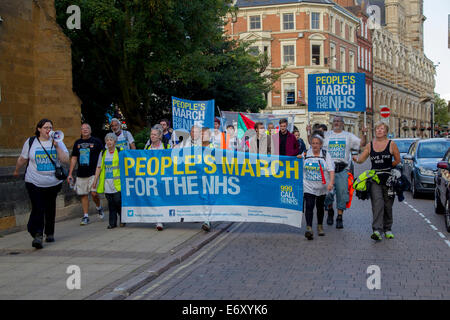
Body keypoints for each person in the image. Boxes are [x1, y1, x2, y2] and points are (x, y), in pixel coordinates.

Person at [14, 119, 70, 249]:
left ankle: (49, 232)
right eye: (45, 127)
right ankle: (37, 235)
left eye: (50, 127)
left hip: (53, 183)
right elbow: (23, 158)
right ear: (39, 129)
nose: (48, 130)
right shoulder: (31, 142)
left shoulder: (57, 141)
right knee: (38, 207)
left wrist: (57, 146)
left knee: (50, 207)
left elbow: (65, 159)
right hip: (34, 181)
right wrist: (17, 169)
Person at [352, 121, 401, 241]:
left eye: (382, 128)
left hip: (389, 178)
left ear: (386, 131)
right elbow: (362, 159)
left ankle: (387, 228)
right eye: (377, 128)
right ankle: (377, 230)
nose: (379, 130)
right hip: (375, 178)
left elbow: (397, 160)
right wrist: (356, 159)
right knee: (377, 204)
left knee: (388, 205)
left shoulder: (391, 144)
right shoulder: (370, 145)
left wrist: (389, 168)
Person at [323, 116, 367, 229]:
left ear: (343, 123)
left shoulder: (348, 136)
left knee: (342, 194)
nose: (336, 123)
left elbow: (361, 144)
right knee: (328, 194)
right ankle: (330, 210)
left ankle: (339, 217)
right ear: (332, 123)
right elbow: (312, 142)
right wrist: (309, 131)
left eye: (339, 121)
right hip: (329, 170)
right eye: (335, 121)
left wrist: (364, 133)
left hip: (342, 169)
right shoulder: (327, 135)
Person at [68, 123, 105, 226]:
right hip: (81, 173)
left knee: (94, 193)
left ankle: (99, 207)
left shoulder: (96, 141)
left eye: (87, 128)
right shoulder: (77, 143)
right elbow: (74, 158)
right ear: (80, 131)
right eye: (83, 129)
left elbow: (103, 155)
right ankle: (85, 216)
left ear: (90, 130)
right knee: (84, 195)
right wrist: (70, 173)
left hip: (94, 172)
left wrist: (101, 169)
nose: (85, 130)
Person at [303, 134, 335, 240]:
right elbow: (296, 165)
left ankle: (320, 226)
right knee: (309, 206)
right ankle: (309, 228)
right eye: (313, 143)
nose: (315, 145)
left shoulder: (326, 155)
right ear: (310, 144)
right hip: (308, 185)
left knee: (320, 207)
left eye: (317, 143)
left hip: (322, 187)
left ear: (321, 145)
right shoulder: (305, 154)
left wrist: (331, 183)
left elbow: (331, 170)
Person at [92, 133, 124, 229]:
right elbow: (99, 167)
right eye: (107, 140)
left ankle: (122, 218)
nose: (109, 142)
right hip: (107, 183)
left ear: (115, 141)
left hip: (118, 183)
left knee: (118, 201)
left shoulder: (120, 151)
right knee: (110, 203)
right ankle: (112, 223)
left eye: (111, 140)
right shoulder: (103, 153)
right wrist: (95, 180)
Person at [144, 126, 171, 230]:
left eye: (155, 134)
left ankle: (162, 219)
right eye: (151, 134)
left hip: (163, 177)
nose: (152, 136)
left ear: (160, 136)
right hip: (151, 178)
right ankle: (158, 220)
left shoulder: (166, 146)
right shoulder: (147, 148)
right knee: (155, 198)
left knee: (163, 198)